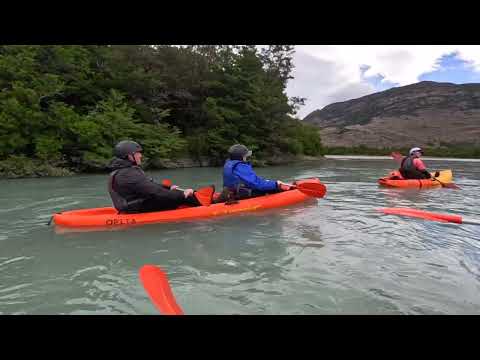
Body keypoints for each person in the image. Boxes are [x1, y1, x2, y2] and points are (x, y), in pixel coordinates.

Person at [107, 140, 213, 213]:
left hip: (132, 205)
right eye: (138, 153)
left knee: (173, 193)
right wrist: (182, 195)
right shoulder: (127, 174)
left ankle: (201, 198)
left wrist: (168, 188)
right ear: (129, 156)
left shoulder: (125, 171)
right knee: (181, 196)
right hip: (135, 208)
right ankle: (210, 203)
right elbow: (154, 192)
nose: (140, 155)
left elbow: (149, 185)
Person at [218, 144, 293, 202]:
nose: (246, 157)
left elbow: (250, 180)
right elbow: (257, 184)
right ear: (240, 157)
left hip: (232, 191)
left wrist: (266, 181)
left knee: (268, 184)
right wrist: (276, 184)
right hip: (241, 194)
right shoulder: (240, 166)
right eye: (245, 155)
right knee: (276, 188)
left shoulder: (229, 164)